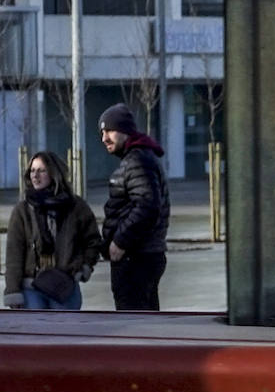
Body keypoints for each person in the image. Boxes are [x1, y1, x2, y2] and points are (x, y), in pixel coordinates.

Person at [4, 152, 102, 310]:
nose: (35, 176)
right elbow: (14, 256)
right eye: (32, 170)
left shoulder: (75, 206)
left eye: (41, 171)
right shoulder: (22, 211)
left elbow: (93, 242)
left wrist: (83, 268)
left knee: (64, 331)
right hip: (31, 287)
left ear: (54, 173)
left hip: (64, 286)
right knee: (36, 332)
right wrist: (13, 291)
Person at [99, 103, 170, 309]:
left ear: (125, 131)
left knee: (135, 324)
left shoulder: (137, 160)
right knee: (145, 322)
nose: (104, 138)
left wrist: (120, 242)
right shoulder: (139, 158)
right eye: (102, 132)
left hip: (136, 258)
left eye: (110, 130)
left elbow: (147, 205)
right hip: (139, 256)